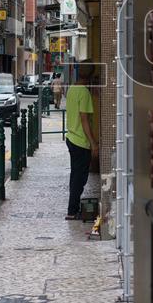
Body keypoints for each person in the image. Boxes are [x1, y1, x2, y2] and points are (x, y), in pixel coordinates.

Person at [64, 64, 97, 220]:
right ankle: (72, 211)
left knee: (75, 175)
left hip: (71, 138)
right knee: (80, 178)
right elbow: (84, 119)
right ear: (90, 77)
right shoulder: (84, 92)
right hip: (80, 141)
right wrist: (93, 142)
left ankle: (73, 209)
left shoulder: (72, 88)